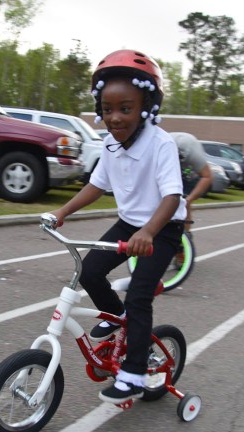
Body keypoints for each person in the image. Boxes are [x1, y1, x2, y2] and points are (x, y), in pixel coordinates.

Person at [47, 49, 186, 404]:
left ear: (145, 107)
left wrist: (149, 232)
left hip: (163, 226)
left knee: (141, 293)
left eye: (125, 108)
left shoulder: (161, 143)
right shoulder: (110, 145)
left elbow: (171, 197)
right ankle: (118, 316)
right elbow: (97, 186)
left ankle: (135, 372)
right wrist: (62, 212)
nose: (115, 118)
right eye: (107, 110)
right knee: (89, 272)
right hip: (130, 223)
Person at [169, 132, 213, 233]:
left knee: (184, 202)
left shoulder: (190, 149)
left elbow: (207, 176)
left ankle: (186, 235)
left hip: (188, 170)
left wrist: (189, 200)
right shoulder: (155, 149)